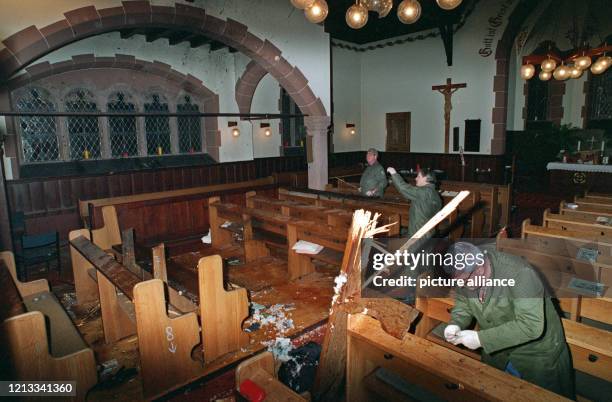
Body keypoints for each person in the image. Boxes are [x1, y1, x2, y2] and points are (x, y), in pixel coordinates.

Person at [443, 242, 575, 399]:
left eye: (464, 281)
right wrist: (455, 323)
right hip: (498, 353)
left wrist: (481, 339)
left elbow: (531, 325)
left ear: (480, 267)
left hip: (534, 354)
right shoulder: (465, 272)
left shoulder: (520, 274)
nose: (460, 285)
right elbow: (463, 303)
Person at [386, 167, 442, 238]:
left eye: (418, 176)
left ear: (425, 178)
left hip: (418, 233)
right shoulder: (435, 194)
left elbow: (404, 188)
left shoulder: (424, 192)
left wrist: (393, 173)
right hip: (429, 232)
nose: (416, 178)